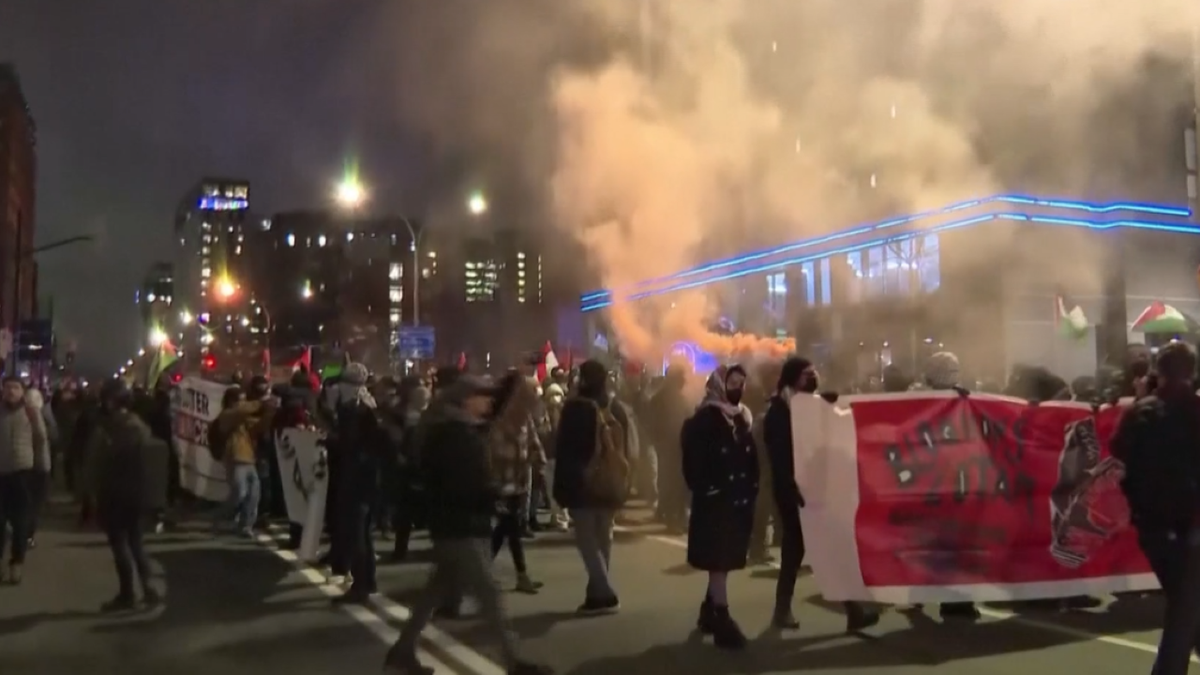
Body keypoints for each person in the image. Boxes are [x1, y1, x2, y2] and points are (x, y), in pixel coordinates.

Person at [383, 375, 550, 675]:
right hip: (461, 525)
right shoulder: (455, 435)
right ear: (465, 401)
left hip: (452, 523)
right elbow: (461, 484)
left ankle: (402, 651)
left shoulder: (453, 430)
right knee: (490, 594)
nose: (488, 402)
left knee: (433, 594)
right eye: (481, 396)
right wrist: (492, 493)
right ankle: (513, 662)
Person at [763, 357, 880, 632]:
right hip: (793, 492)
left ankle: (852, 610)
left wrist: (830, 408)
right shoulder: (779, 411)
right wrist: (790, 486)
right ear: (793, 378)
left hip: (817, 487)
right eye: (807, 374)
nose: (813, 377)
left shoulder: (812, 406)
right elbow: (779, 454)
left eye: (814, 372)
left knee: (830, 546)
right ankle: (785, 610)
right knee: (796, 549)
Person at [1113, 341, 1200, 675]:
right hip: (1190, 522)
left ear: (1157, 372)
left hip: (1152, 524)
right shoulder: (1195, 410)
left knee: (1186, 601)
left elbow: (1120, 449)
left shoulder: (1140, 412)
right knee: (1186, 606)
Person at [682, 365, 759, 650]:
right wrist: (709, 489)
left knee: (723, 560)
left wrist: (753, 487)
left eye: (742, 382)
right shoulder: (704, 420)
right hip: (716, 502)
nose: (738, 387)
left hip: (738, 501)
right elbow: (692, 462)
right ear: (718, 384)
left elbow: (749, 458)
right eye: (733, 382)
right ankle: (722, 618)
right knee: (719, 559)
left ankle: (708, 608)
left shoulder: (742, 419)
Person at [553, 359, 632, 614]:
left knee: (586, 539)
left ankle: (605, 591)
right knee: (603, 537)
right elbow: (628, 446)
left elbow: (564, 447)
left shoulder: (575, 407)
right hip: (611, 480)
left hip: (583, 481)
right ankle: (595, 595)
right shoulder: (615, 406)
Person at [89, 378, 168, 611]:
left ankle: (127, 594)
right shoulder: (140, 427)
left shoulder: (108, 428)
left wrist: (90, 493)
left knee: (120, 543)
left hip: (114, 492)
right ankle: (149, 588)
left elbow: (95, 463)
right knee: (135, 542)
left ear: (110, 401)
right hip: (138, 493)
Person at [328, 362, 386, 604]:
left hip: (356, 478)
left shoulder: (354, 410)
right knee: (364, 532)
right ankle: (368, 581)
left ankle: (360, 584)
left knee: (356, 533)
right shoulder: (370, 406)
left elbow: (350, 445)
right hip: (371, 478)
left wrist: (331, 442)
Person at [488, 373, 545, 594]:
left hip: (518, 483)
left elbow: (533, 442)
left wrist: (537, 459)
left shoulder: (525, 418)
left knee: (509, 530)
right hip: (502, 484)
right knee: (507, 529)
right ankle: (483, 573)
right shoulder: (501, 419)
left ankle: (519, 575)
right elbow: (496, 452)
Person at [212, 385, 277, 537]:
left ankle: (246, 526)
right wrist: (262, 402)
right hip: (235, 457)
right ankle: (219, 517)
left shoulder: (243, 418)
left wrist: (269, 413)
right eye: (241, 401)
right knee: (239, 493)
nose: (244, 404)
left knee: (254, 494)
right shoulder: (226, 415)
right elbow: (241, 411)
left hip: (249, 458)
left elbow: (258, 427)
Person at [0, 376, 43, 584]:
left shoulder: (30, 412)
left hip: (23, 472)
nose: (11, 391)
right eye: (7, 387)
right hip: (1, 472)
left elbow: (41, 439)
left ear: (22, 391)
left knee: (20, 522)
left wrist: (42, 469)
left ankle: (16, 563)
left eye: (15, 388)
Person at [649, 364, 691, 534]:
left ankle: (666, 512)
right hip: (670, 447)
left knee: (673, 482)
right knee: (673, 483)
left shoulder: (677, 399)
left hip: (676, 446)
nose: (684, 381)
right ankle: (673, 519)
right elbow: (652, 422)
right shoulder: (663, 399)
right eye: (681, 377)